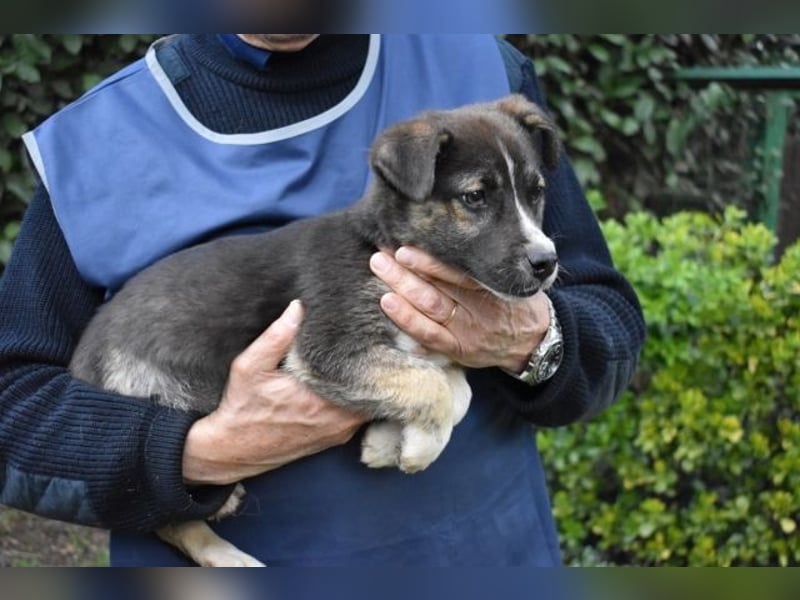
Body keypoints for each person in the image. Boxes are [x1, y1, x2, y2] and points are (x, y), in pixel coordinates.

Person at [0, 34, 646, 565]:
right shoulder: (93, 144)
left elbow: (609, 323)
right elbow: (13, 409)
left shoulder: (478, 66)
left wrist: (534, 341)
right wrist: (197, 451)